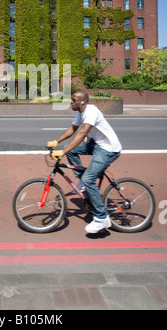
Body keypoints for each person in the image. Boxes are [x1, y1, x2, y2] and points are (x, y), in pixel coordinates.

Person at [47, 91, 122, 234]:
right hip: (97, 144)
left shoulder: (91, 111)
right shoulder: (81, 112)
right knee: (70, 150)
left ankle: (101, 218)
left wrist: (61, 152)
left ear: (82, 102)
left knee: (89, 178)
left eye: (73, 100)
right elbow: (73, 129)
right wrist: (57, 142)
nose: (71, 102)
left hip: (108, 149)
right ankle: (82, 181)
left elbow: (82, 133)